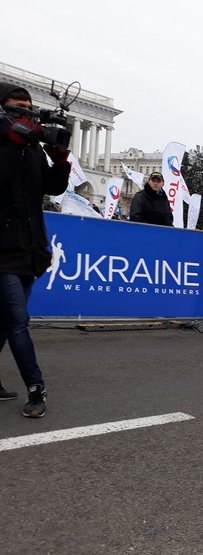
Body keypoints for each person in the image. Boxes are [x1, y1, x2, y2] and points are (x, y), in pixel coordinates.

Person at [0, 82, 71, 417]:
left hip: (30, 246)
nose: (24, 113)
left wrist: (60, 160)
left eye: (29, 108)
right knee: (18, 320)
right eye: (17, 107)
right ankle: (36, 388)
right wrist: (11, 145)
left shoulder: (33, 150)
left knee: (5, 322)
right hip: (2, 249)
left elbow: (53, 188)